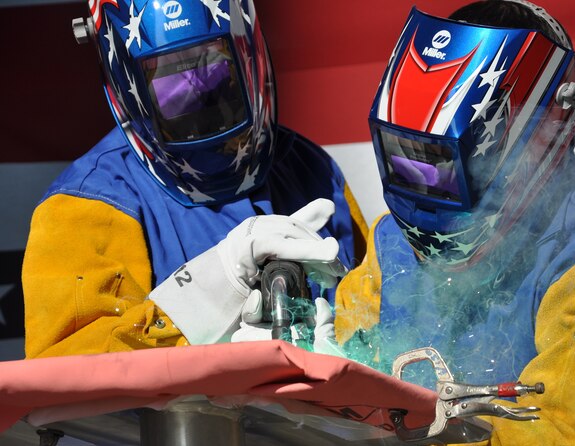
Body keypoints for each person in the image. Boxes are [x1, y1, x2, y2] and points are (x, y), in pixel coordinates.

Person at [313, 1, 575, 446]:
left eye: (452, 163)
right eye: (410, 157)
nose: (425, 189)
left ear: (544, 128)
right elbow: (346, 384)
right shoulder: (392, 242)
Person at [21, 1, 367, 371]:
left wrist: (352, 354)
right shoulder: (88, 204)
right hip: (179, 431)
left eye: (215, 72)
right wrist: (208, 296)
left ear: (247, 48)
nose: (201, 100)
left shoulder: (309, 167)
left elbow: (370, 317)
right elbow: (62, 373)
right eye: (170, 83)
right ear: (126, 77)